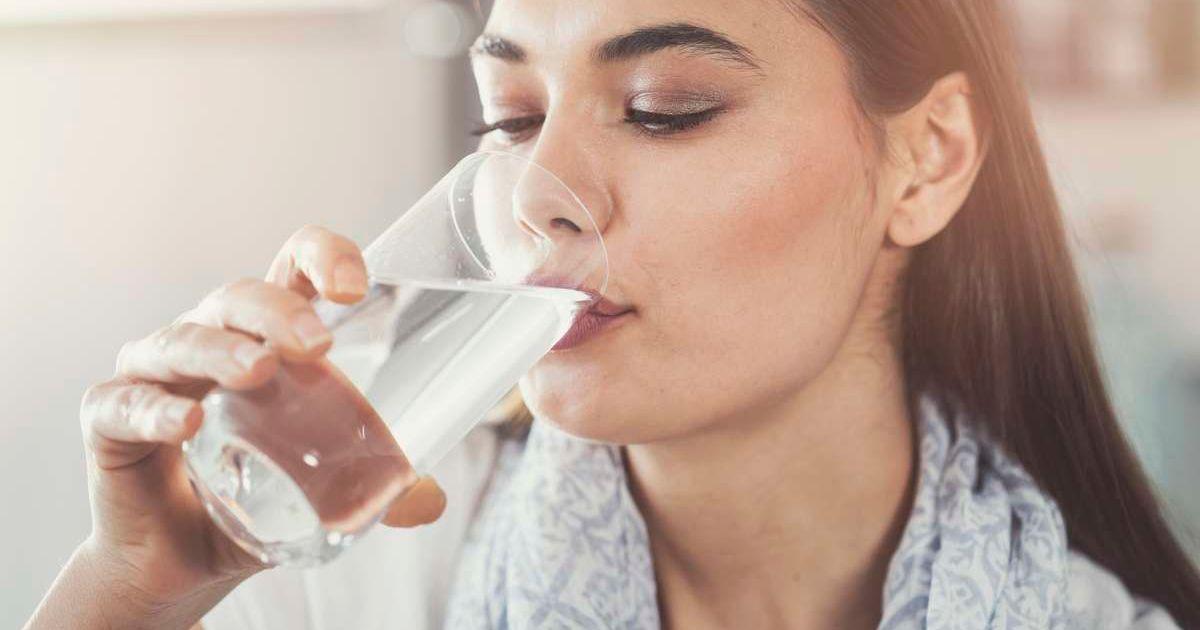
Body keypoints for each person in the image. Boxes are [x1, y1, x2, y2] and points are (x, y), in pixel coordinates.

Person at [25, 0, 1200, 628]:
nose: (537, 197)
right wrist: (135, 590)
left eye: (664, 107)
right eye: (512, 116)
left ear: (926, 160)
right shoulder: (347, 587)